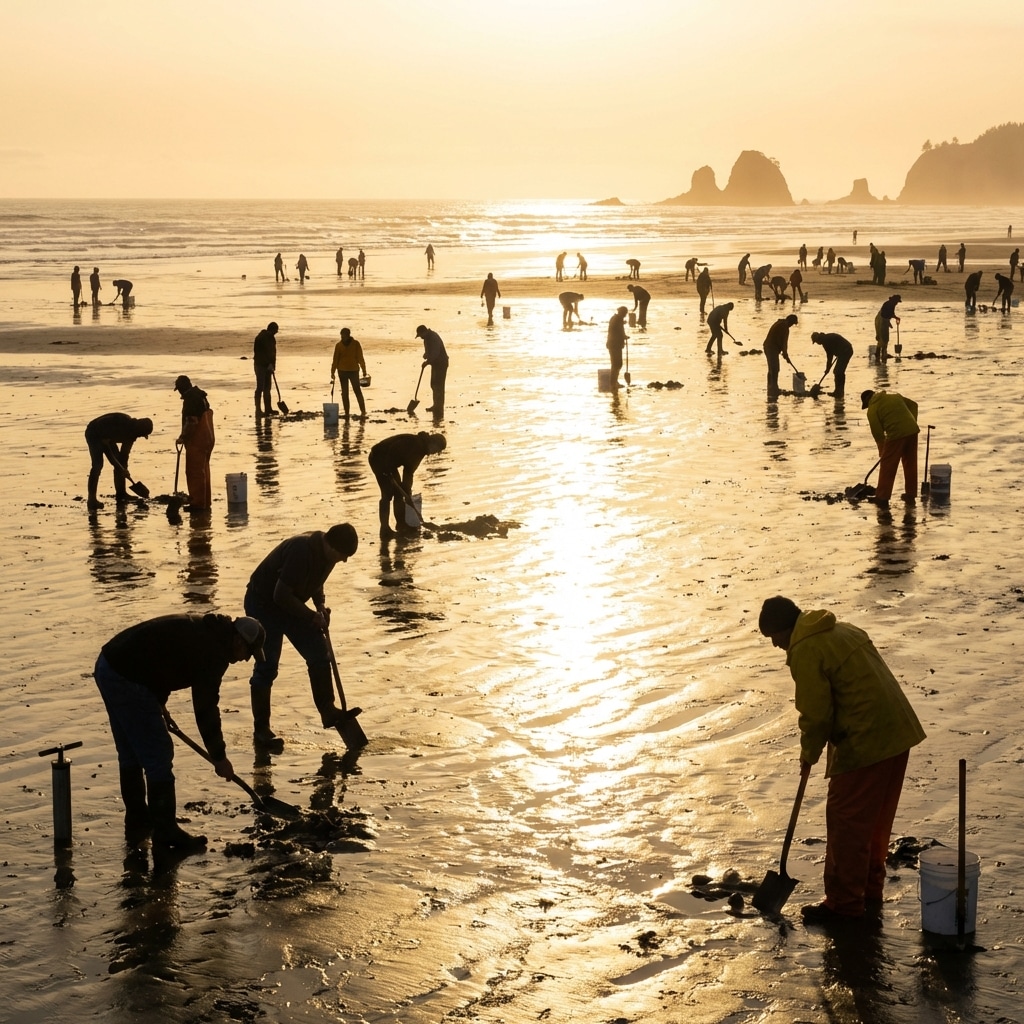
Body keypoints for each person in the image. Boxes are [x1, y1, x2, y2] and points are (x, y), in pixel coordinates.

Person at [757, 595, 925, 924]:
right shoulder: (841, 630)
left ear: (784, 628)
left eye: (774, 638)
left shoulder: (805, 649)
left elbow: (816, 713)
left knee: (846, 823)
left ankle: (844, 905)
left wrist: (809, 753)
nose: (776, 646)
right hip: (898, 732)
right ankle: (869, 891)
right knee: (874, 824)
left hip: (866, 740)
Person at [94, 612, 267, 850]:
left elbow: (162, 661)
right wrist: (219, 756)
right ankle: (165, 831)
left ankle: (138, 822)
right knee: (159, 753)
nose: (247, 660)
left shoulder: (207, 630)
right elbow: (205, 708)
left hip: (109, 664)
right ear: (239, 641)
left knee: (131, 752)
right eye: (249, 653)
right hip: (125, 676)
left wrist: (158, 702)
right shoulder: (215, 652)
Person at [244, 524, 360, 751]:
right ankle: (261, 730)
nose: (343, 561)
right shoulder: (301, 550)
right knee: (267, 666)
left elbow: (317, 582)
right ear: (331, 545)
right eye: (343, 556)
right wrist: (310, 616)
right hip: (264, 603)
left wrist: (320, 607)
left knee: (319, 653)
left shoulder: (328, 556)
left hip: (291, 602)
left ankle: (328, 709)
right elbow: (280, 596)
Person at [368, 432, 447, 539]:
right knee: (387, 493)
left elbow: (409, 472)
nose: (435, 453)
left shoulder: (422, 450)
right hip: (378, 457)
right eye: (437, 450)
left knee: (399, 494)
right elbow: (392, 449)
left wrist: (407, 492)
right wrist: (388, 473)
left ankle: (401, 524)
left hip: (390, 463)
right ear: (433, 443)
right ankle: (384, 529)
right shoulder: (415, 443)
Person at [84, 412, 153, 510]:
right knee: (97, 465)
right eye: (141, 435)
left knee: (121, 463)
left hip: (108, 438)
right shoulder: (120, 422)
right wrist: (118, 466)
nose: (140, 437)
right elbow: (108, 451)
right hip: (94, 433)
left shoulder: (133, 435)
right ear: (138, 429)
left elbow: (124, 456)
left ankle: (121, 494)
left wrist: (124, 469)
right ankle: (91, 500)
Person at [861, 389, 920, 504]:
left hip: (896, 434)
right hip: (912, 430)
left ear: (867, 401)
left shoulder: (872, 409)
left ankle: (882, 497)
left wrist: (882, 452)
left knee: (887, 466)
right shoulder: (894, 396)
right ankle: (910, 495)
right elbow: (914, 405)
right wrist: (912, 422)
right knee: (910, 463)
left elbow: (878, 434)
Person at [174, 375, 215, 510]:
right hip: (208, 438)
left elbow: (192, 421)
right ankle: (205, 501)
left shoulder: (190, 399)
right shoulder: (201, 396)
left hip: (198, 440)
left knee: (194, 472)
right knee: (204, 471)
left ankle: (197, 503)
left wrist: (183, 437)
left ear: (181, 389)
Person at [330, 327, 367, 418]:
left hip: (354, 371)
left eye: (344, 335)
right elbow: (335, 359)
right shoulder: (338, 346)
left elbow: (360, 357)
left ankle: (363, 411)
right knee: (344, 392)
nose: (342, 337)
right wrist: (332, 371)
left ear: (348, 335)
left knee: (357, 390)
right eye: (341, 335)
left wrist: (364, 370)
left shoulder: (356, 344)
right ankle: (347, 412)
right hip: (342, 371)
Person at [416, 323, 449, 414]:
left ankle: (439, 406)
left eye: (420, 335)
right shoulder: (426, 339)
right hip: (435, 363)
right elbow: (429, 352)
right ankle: (436, 405)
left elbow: (435, 354)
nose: (420, 337)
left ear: (424, 332)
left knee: (438, 385)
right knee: (433, 384)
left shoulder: (433, 338)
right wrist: (426, 355)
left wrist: (427, 362)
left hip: (441, 363)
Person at [763, 314, 798, 397]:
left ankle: (770, 387)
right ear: (790, 321)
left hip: (768, 347)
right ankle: (774, 388)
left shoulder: (780, 323)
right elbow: (784, 343)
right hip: (771, 348)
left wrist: (784, 353)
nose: (792, 326)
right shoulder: (784, 327)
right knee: (775, 369)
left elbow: (780, 341)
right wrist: (786, 354)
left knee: (771, 368)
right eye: (792, 324)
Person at [810, 332, 853, 398]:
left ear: (818, 339)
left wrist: (827, 369)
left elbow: (829, 357)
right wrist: (828, 368)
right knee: (838, 371)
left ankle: (839, 392)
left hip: (846, 351)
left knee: (838, 371)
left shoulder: (826, 341)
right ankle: (839, 392)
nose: (817, 343)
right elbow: (830, 355)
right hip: (843, 351)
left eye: (816, 341)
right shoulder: (825, 339)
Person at [253, 321, 278, 418]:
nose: (276, 333)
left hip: (268, 366)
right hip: (260, 366)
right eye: (275, 331)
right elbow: (260, 354)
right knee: (260, 388)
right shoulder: (261, 338)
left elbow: (273, 354)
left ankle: (268, 409)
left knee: (267, 388)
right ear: (271, 330)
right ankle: (258, 410)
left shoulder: (272, 338)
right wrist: (268, 364)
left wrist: (272, 365)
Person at [873, 294, 901, 361]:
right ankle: (883, 354)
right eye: (897, 301)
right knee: (884, 338)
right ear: (894, 300)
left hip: (883, 320)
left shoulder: (891, 304)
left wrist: (890, 322)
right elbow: (885, 315)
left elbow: (889, 315)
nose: (897, 303)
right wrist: (895, 318)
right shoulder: (889, 304)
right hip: (881, 321)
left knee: (882, 338)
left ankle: (879, 354)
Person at [607, 306, 629, 387]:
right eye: (625, 313)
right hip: (615, 344)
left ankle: (614, 382)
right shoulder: (618, 319)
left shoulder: (614, 318)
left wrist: (624, 336)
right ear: (622, 312)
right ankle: (613, 382)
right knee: (617, 364)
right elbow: (618, 332)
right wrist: (624, 336)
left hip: (612, 343)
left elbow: (613, 330)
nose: (626, 315)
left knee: (616, 363)